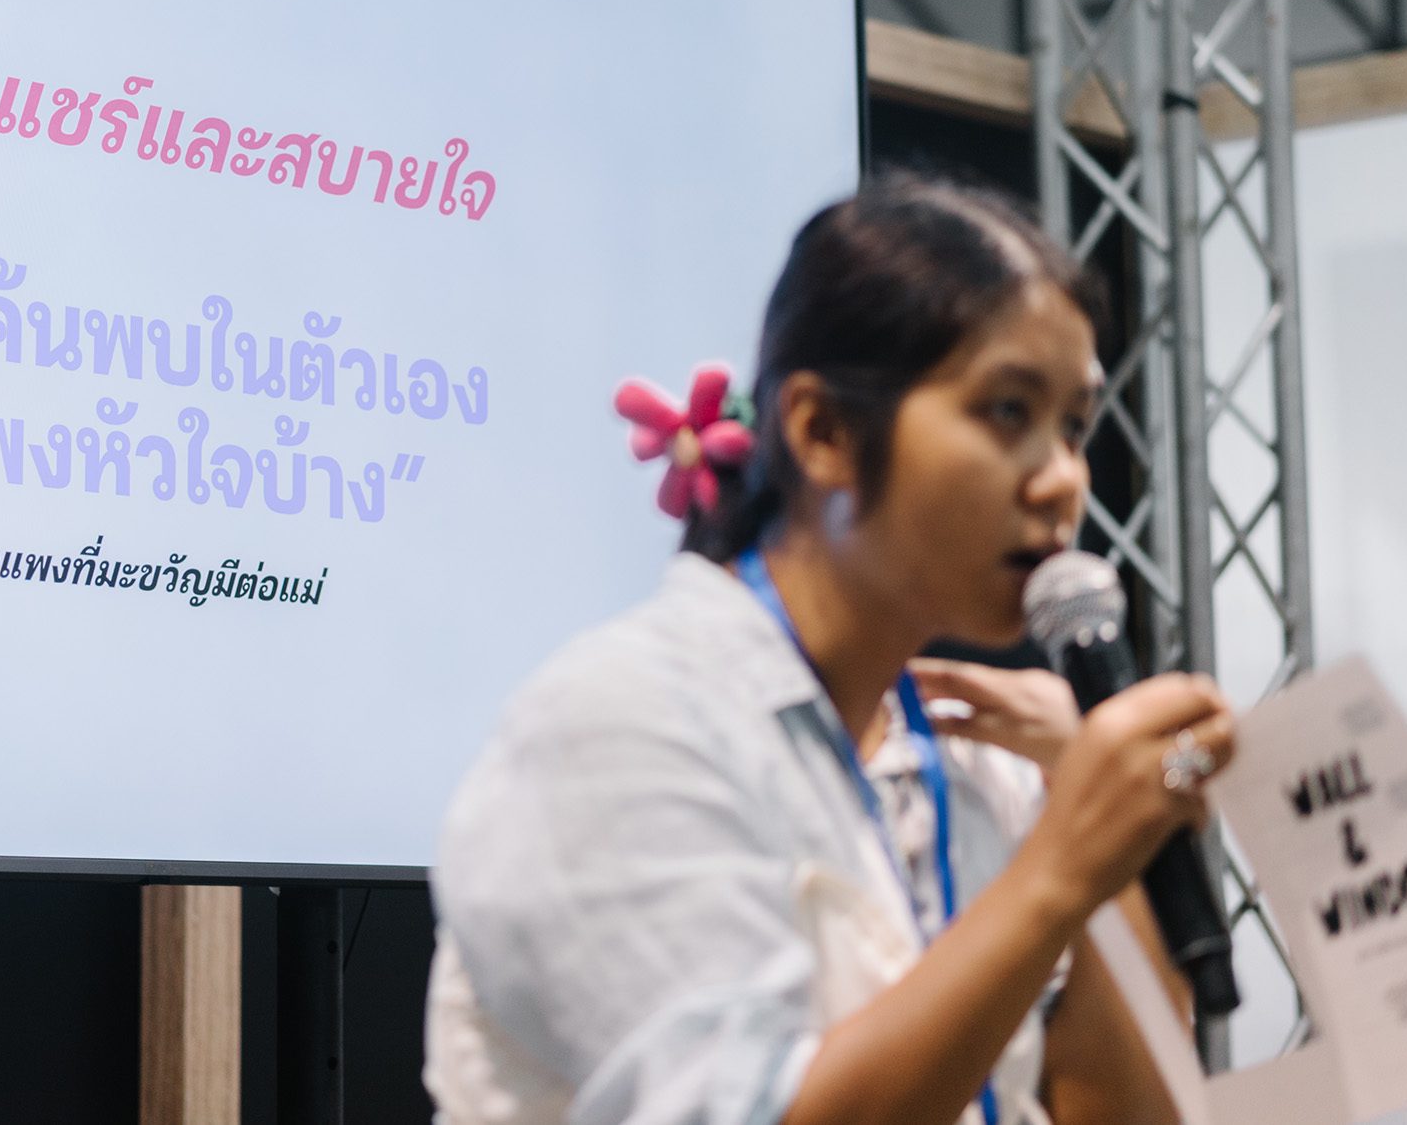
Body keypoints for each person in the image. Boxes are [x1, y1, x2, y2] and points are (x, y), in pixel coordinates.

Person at [424, 171, 1235, 1125]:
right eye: (1009, 411)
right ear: (824, 432)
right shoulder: (621, 726)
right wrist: (1059, 871)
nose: (1062, 480)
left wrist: (1117, 851)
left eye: (1075, 425)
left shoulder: (983, 766)